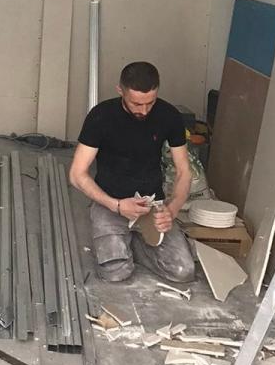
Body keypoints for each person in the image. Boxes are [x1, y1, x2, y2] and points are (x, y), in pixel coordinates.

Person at [69, 60, 195, 284]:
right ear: (120, 90)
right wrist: (116, 205)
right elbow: (77, 174)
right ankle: (126, 242)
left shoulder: (169, 116)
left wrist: (172, 209)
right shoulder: (100, 116)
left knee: (183, 271)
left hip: (152, 204)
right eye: (136, 103)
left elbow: (184, 171)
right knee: (116, 273)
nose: (144, 111)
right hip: (111, 202)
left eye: (150, 103)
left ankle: (135, 243)